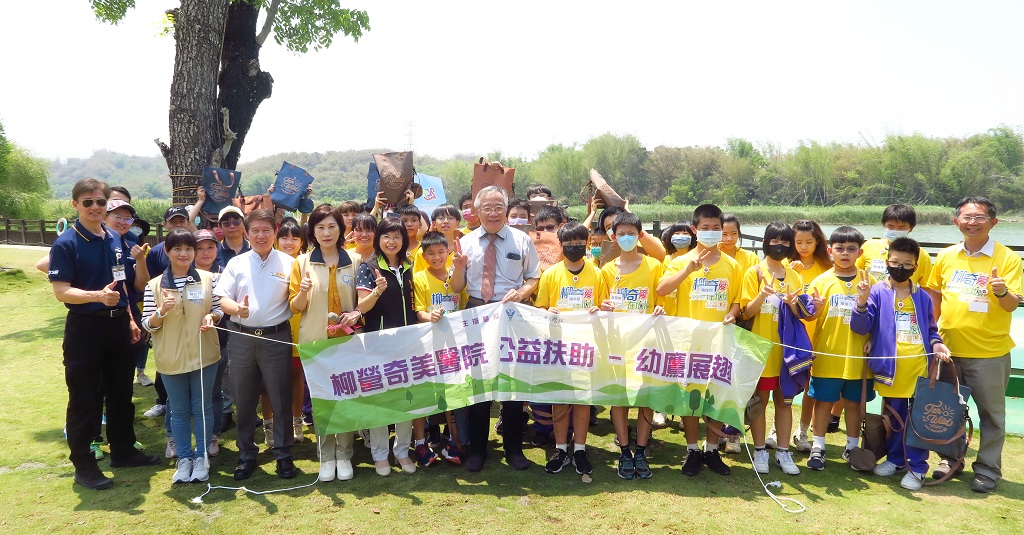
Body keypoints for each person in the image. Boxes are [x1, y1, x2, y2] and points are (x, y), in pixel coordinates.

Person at [48, 178, 159, 490]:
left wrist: (129, 319)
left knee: (121, 393)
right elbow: (62, 292)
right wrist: (96, 296)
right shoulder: (66, 243)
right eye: (88, 202)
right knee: (85, 397)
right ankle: (84, 465)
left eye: (100, 202)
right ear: (75, 205)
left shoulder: (113, 237)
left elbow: (120, 283)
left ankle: (123, 451)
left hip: (117, 324)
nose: (94, 207)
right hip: (85, 327)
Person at [925, 196, 1022, 493]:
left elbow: (1011, 305)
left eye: (980, 217)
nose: (972, 222)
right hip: (949, 350)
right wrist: (932, 336)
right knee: (947, 409)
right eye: (967, 217)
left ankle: (988, 468)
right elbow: (935, 298)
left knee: (991, 414)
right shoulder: (946, 256)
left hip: (989, 352)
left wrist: (1001, 290)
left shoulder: (1007, 258)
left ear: (993, 222)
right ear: (956, 222)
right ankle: (950, 460)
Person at [851, 237, 951, 490]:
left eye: (907, 264)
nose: (901, 268)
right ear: (887, 262)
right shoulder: (876, 291)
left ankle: (917, 467)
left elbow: (930, 329)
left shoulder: (923, 297)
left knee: (918, 419)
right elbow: (861, 326)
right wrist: (861, 301)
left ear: (916, 267)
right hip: (890, 367)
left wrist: (937, 344)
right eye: (896, 262)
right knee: (894, 417)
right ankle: (896, 459)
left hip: (919, 367)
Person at [458, 185, 541, 472]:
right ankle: (478, 451)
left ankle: (514, 449)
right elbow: (457, 284)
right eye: (486, 207)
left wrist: (521, 293)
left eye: (498, 207)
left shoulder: (522, 240)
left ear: (505, 210)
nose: (493, 213)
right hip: (477, 312)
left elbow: (533, 277)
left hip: (511, 315)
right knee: (479, 385)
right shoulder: (465, 242)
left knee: (511, 384)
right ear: (476, 211)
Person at [656, 203, 741, 477]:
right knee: (691, 396)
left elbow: (738, 302)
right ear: (695, 230)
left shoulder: (732, 266)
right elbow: (661, 289)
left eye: (716, 229)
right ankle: (692, 449)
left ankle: (712, 449)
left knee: (715, 394)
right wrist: (687, 271)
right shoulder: (679, 262)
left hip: (719, 342)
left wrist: (731, 313)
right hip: (688, 342)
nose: (712, 233)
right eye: (705, 228)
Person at [214, 209, 298, 481]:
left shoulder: (289, 263)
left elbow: (297, 301)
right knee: (244, 397)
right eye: (255, 231)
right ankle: (246, 454)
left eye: (266, 230)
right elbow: (222, 299)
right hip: (241, 337)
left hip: (276, 337)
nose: (261, 236)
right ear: (247, 233)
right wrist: (236, 308)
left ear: (275, 232)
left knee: (280, 396)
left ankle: (284, 455)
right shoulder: (236, 264)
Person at [141, 229, 222, 484]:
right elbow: (147, 324)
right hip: (170, 358)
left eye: (189, 248)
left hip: (204, 354)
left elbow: (218, 309)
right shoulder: (153, 285)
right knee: (178, 410)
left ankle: (201, 457)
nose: (184, 254)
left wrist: (213, 317)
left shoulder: (209, 279)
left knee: (202, 408)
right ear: (167, 251)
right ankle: (184, 458)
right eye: (177, 249)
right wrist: (161, 312)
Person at [289, 205, 363, 482]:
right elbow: (295, 307)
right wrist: (304, 292)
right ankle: (326, 456)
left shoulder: (354, 261)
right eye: (320, 227)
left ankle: (344, 455)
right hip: (314, 342)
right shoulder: (302, 262)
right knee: (322, 402)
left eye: (332, 226)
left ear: (341, 229)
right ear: (313, 232)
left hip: (347, 342)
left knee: (344, 399)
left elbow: (361, 301)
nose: (326, 232)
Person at [739, 221, 815, 476]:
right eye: (775, 241)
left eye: (785, 242)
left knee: (784, 402)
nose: (780, 246)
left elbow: (801, 313)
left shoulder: (794, 275)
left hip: (787, 351)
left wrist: (795, 304)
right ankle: (760, 450)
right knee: (759, 401)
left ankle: (783, 451)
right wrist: (762, 293)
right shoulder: (754, 272)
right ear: (765, 242)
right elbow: (746, 311)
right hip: (761, 349)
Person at [596, 212, 666, 480]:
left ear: (640, 235)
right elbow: (599, 306)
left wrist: (660, 307)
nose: (626, 238)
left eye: (631, 233)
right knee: (619, 397)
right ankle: (624, 451)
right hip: (617, 344)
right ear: (613, 237)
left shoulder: (654, 266)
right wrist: (602, 307)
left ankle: (641, 451)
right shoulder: (606, 270)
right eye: (620, 233)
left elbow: (663, 300)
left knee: (645, 398)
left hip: (647, 343)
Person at [803, 226, 874, 471]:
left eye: (851, 249)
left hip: (858, 357)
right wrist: (815, 309)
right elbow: (809, 317)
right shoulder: (821, 281)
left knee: (854, 404)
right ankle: (818, 446)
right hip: (827, 354)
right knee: (823, 402)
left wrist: (873, 339)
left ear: (860, 252)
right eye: (840, 249)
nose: (845, 253)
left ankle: (852, 447)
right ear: (830, 251)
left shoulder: (869, 281)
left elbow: (880, 317)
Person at [535, 222, 602, 476]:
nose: (574, 248)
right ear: (560, 246)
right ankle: (561, 448)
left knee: (583, 399)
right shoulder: (551, 274)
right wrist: (546, 311)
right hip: (558, 345)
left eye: (579, 243)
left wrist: (599, 309)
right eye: (569, 244)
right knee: (560, 398)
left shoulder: (597, 273)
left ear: (587, 244)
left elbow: (604, 305)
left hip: (586, 345)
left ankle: (581, 448)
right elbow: (540, 306)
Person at [355, 217, 419, 476]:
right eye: (386, 236)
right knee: (380, 399)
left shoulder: (409, 266)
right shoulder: (368, 268)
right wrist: (377, 291)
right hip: (378, 342)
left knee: (407, 398)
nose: (391, 242)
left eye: (397, 237)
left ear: (404, 240)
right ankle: (380, 454)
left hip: (408, 342)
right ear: (378, 239)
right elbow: (361, 308)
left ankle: (402, 450)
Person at [413, 230, 468, 465]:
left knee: (454, 393)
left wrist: (458, 268)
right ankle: (420, 442)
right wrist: (429, 316)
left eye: (441, 252)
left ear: (448, 252)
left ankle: (451, 441)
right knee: (426, 393)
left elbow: (459, 294)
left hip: (456, 344)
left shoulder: (456, 273)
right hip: (429, 345)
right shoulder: (419, 278)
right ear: (423, 256)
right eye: (431, 254)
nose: (437, 257)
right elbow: (419, 311)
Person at [784, 219, 833, 452]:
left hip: (817, 335)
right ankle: (778, 428)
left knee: (810, 387)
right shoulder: (785, 264)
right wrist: (791, 274)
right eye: (799, 242)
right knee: (787, 384)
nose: (804, 247)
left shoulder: (826, 268)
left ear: (818, 242)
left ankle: (803, 431)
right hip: (792, 336)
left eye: (809, 242)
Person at [192, 229, 227, 457]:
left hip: (218, 339)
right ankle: (176, 438)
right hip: (185, 342)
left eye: (210, 247)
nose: (206, 252)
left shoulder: (225, 273)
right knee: (183, 395)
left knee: (214, 391)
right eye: (200, 248)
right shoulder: (183, 273)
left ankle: (213, 435)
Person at [857, 203, 933, 284]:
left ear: (911, 228)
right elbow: (854, 273)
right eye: (891, 227)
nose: (896, 231)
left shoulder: (921, 254)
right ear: (884, 225)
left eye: (902, 228)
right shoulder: (869, 246)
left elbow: (927, 287)